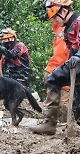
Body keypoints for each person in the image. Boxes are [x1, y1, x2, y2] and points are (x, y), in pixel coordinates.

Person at [30, 0, 80, 135]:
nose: (54, 21)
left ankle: (50, 123)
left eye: (55, 17)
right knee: (54, 79)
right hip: (75, 64)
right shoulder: (68, 26)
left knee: (54, 79)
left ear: (64, 11)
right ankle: (50, 124)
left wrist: (78, 56)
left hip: (78, 62)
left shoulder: (78, 22)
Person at [44, 23, 70, 123]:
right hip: (54, 68)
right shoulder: (59, 28)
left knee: (64, 102)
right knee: (54, 98)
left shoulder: (69, 30)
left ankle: (64, 123)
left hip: (64, 69)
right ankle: (51, 122)